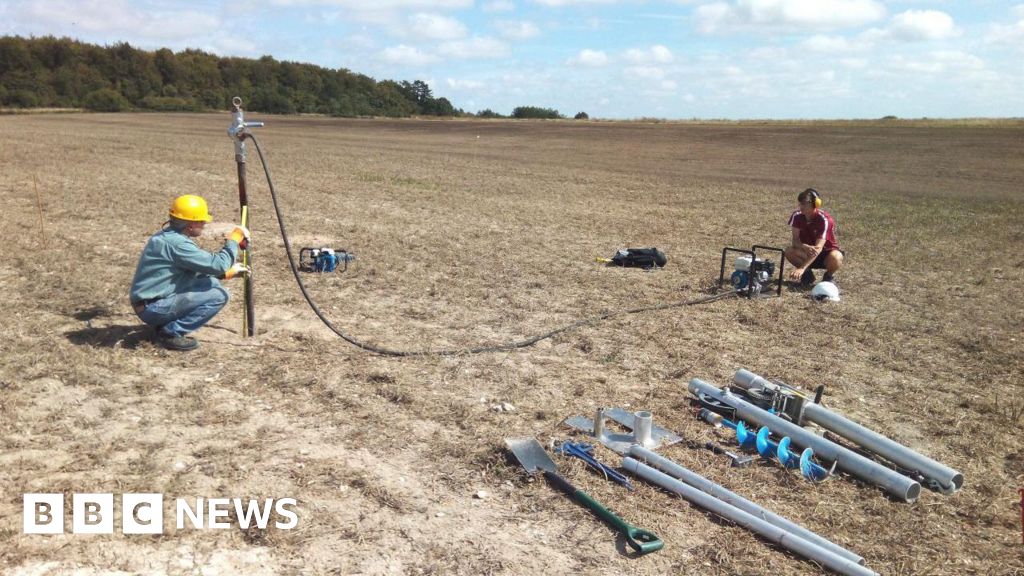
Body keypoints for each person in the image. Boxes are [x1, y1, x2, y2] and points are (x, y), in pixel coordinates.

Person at [130, 194, 250, 351]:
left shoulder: (167, 236)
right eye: (201, 220)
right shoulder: (177, 244)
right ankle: (169, 333)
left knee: (211, 283)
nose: (205, 224)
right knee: (219, 295)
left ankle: (165, 324)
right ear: (190, 224)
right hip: (152, 308)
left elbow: (191, 269)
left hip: (151, 302)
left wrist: (224, 275)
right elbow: (218, 264)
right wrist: (234, 240)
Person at [784, 188, 843, 286]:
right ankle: (808, 276)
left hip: (825, 255)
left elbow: (818, 248)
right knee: (789, 251)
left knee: (836, 257)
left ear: (816, 204)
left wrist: (801, 268)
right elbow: (795, 241)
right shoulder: (797, 216)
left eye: (804, 203)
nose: (801, 206)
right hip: (807, 253)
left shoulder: (825, 220)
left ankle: (828, 276)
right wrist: (804, 246)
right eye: (800, 203)